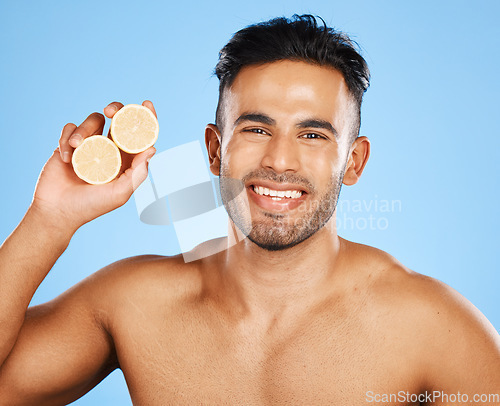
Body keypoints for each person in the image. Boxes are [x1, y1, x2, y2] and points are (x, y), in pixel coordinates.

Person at [0, 14, 498, 405]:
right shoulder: (133, 305)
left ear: (354, 160)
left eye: (313, 135)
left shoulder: (432, 327)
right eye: (256, 129)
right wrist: (51, 218)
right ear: (215, 151)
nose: (280, 160)